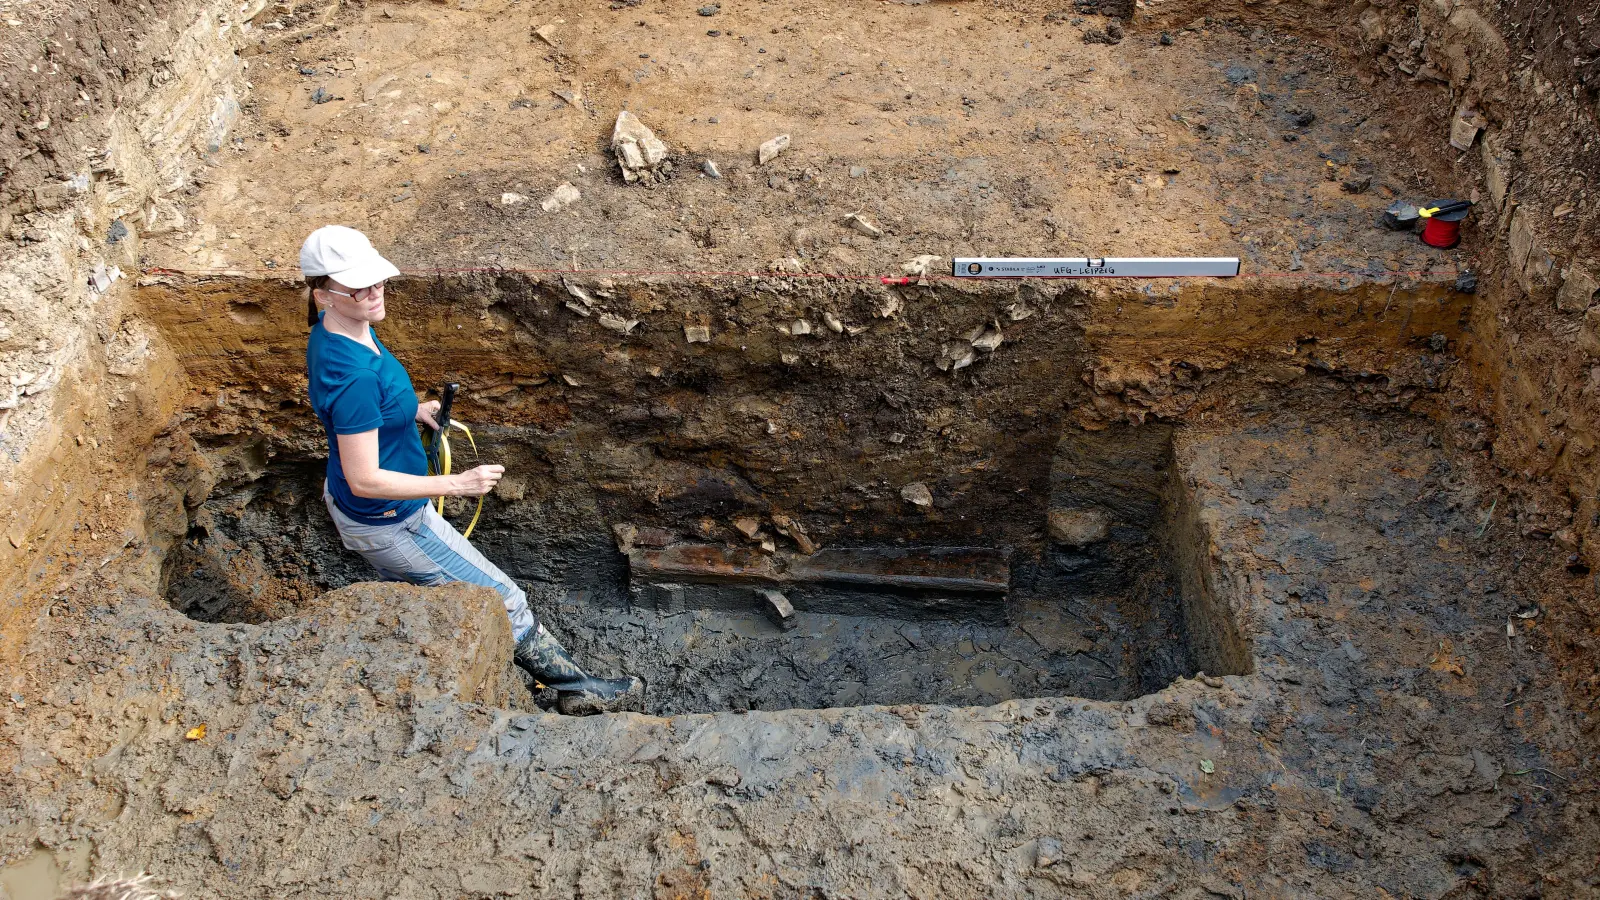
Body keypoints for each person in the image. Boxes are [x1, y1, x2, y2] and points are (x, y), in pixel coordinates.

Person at [300, 225, 642, 715]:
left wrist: (411, 410)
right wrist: (456, 484)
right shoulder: (352, 373)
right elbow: (365, 479)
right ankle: (575, 691)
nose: (374, 292)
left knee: (435, 593)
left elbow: (360, 418)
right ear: (323, 295)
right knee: (504, 599)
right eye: (358, 286)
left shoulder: (344, 328)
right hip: (392, 520)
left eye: (376, 280)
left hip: (372, 513)